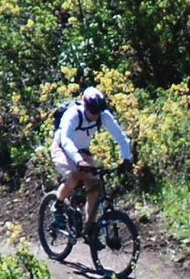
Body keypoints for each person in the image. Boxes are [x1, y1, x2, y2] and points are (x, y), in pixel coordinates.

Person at [50, 84, 134, 235]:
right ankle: (58, 205)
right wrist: (77, 161)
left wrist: (127, 159)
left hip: (82, 151)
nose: (96, 115)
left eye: (99, 111)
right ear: (85, 105)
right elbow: (66, 140)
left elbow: (121, 138)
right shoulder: (73, 115)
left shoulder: (104, 116)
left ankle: (91, 228)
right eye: (93, 111)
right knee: (73, 177)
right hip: (61, 147)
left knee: (94, 185)